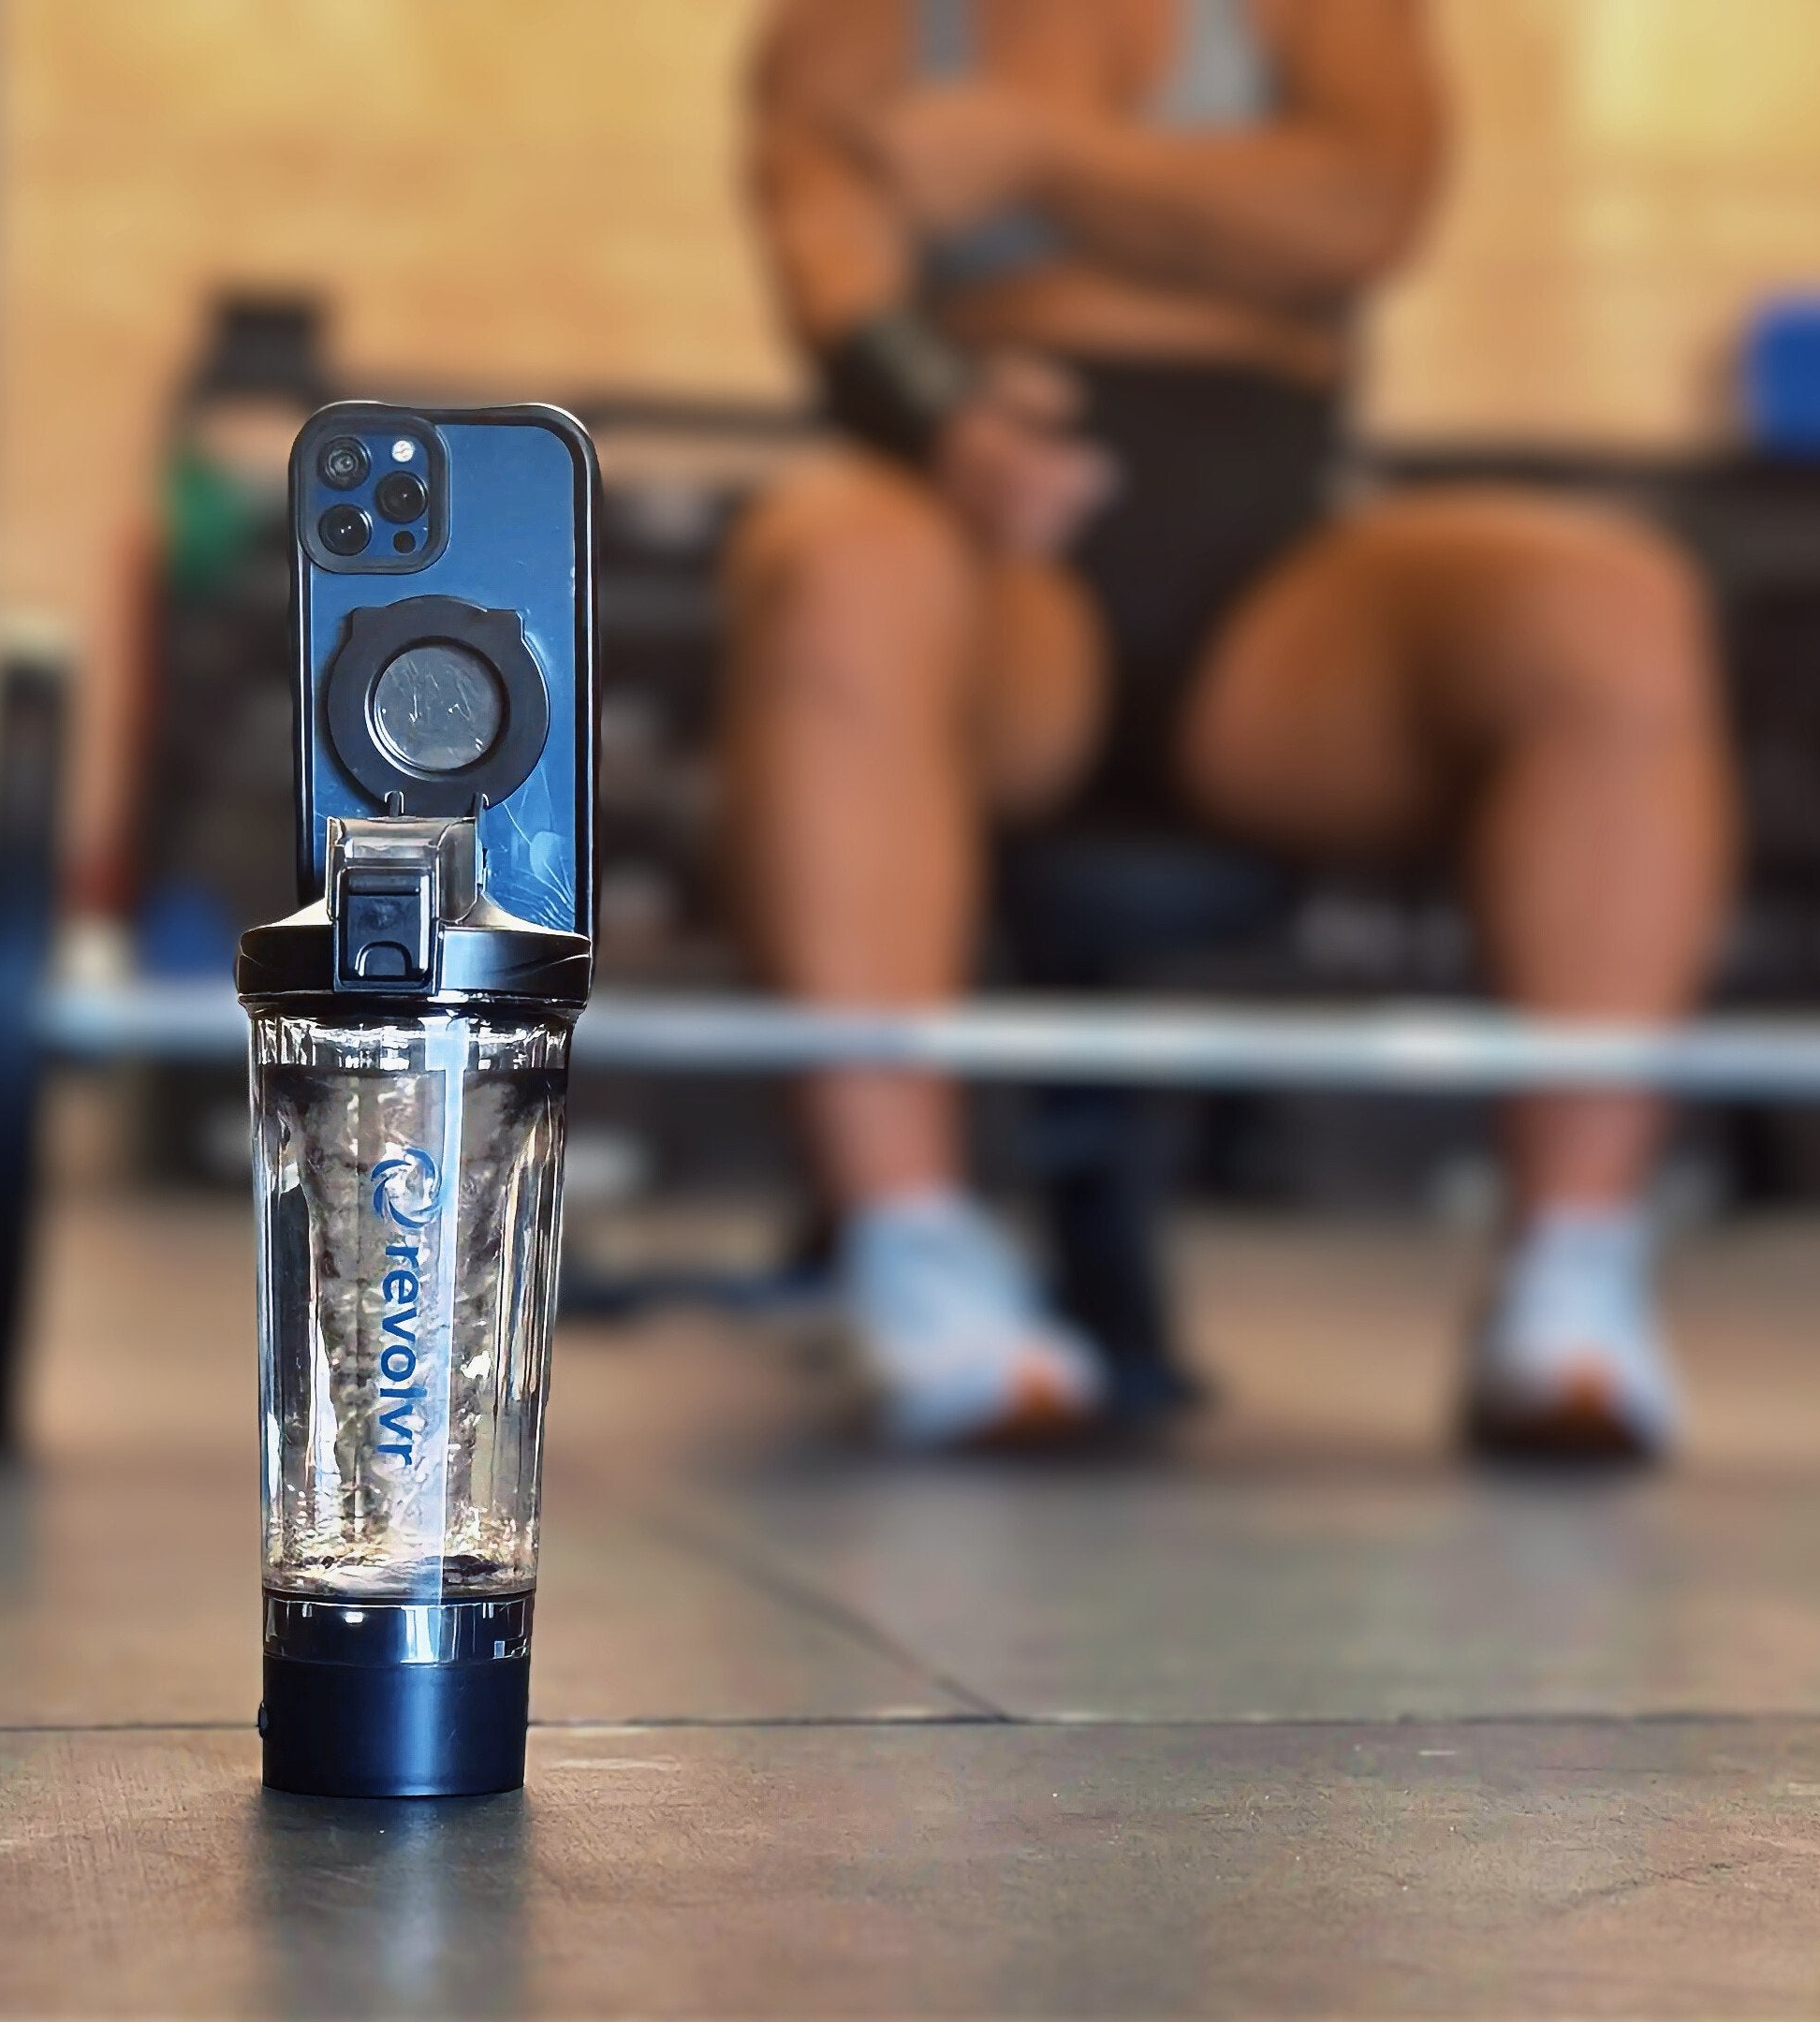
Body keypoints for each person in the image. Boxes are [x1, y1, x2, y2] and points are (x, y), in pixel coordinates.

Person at [720, 0, 1737, 1458]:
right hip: (990, 548)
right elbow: (831, 250)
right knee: (831, 559)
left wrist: (1038, 159)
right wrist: (954, 422)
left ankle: (1572, 1276)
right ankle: (911, 1247)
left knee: (1613, 603)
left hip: (1275, 593)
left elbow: (1363, 210)